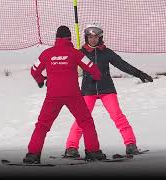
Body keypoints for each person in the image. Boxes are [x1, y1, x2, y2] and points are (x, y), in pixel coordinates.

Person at [64, 23, 153, 158]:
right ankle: (71, 147)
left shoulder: (106, 52)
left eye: (95, 37)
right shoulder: (80, 53)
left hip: (107, 89)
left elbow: (122, 65)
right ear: (86, 38)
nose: (92, 40)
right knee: (81, 118)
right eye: (90, 37)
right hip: (88, 90)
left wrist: (140, 74)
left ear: (100, 38)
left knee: (117, 116)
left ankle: (131, 144)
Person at [24, 25, 106, 164]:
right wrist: (97, 78)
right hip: (73, 95)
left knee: (42, 125)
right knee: (86, 122)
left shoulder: (47, 53)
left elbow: (34, 70)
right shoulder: (75, 53)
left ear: (56, 38)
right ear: (69, 38)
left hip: (52, 96)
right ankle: (93, 152)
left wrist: (40, 81)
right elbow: (92, 68)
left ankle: (33, 155)